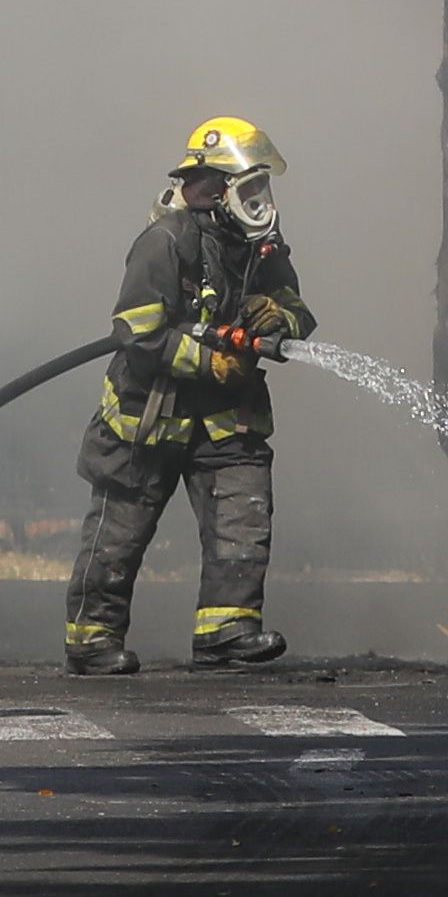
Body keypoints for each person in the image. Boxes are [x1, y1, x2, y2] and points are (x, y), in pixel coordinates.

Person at [63, 113, 309, 675]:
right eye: (249, 186)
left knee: (242, 520)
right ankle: (92, 640)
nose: (260, 199)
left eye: (262, 185)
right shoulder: (165, 242)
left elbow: (298, 309)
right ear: (215, 189)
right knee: (119, 534)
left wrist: (277, 318)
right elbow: (137, 332)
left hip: (227, 417)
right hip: (149, 416)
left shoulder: (259, 248)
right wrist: (208, 360)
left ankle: (227, 632)